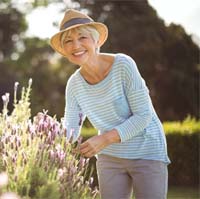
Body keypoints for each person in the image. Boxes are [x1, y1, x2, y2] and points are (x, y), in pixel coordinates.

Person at [50, 9, 170, 199]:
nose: (76, 45)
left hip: (146, 150)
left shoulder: (123, 65)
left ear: (97, 40)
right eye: (68, 41)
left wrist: (104, 140)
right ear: (64, 50)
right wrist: (53, 143)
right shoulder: (74, 85)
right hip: (110, 157)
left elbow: (143, 116)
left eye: (83, 37)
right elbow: (71, 128)